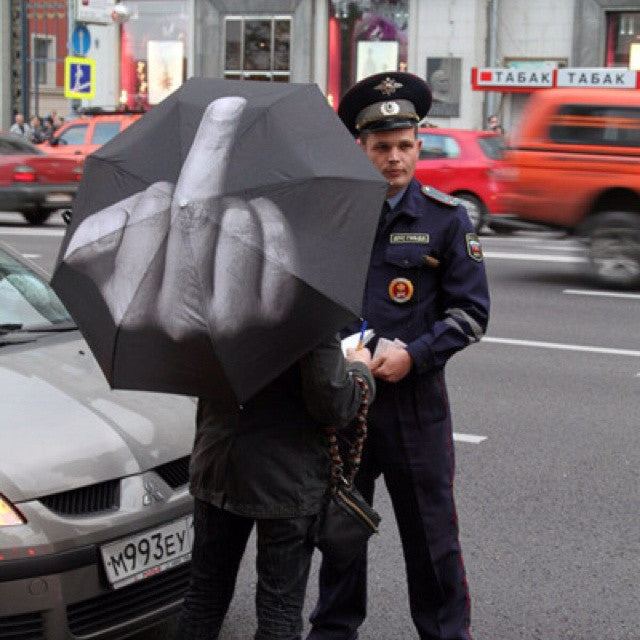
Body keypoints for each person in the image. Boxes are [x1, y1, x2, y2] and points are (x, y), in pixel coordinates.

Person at [307, 71, 490, 640]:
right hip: (346, 401)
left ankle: (444, 633)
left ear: (418, 144)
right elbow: (308, 299)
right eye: (382, 147)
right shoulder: (333, 217)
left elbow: (470, 314)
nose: (395, 158)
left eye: (405, 146)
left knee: (432, 538)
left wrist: (416, 354)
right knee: (340, 531)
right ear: (360, 148)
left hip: (414, 406)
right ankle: (335, 629)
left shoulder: (445, 219)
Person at [174, 338, 376, 639]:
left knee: (204, 595)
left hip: (219, 459)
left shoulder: (209, 299)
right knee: (279, 609)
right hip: (286, 475)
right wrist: (361, 370)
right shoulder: (309, 307)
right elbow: (333, 405)